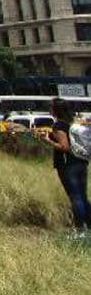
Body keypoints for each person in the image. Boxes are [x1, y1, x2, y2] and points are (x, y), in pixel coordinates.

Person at [47, 98, 89, 236]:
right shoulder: (72, 122)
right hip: (81, 162)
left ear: (56, 110)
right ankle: (88, 226)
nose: (49, 109)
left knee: (75, 197)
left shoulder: (58, 125)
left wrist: (47, 140)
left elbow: (64, 146)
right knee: (82, 196)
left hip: (67, 165)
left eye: (51, 107)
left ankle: (79, 229)